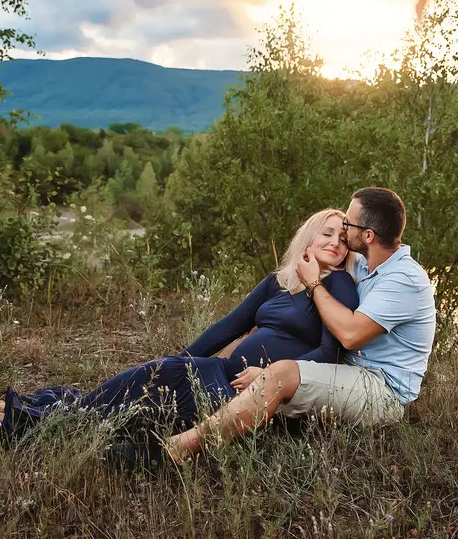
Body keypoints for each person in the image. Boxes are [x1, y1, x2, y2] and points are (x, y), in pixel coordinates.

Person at [0, 208, 359, 460]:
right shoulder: (278, 281)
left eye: (344, 240)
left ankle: (36, 422)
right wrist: (183, 358)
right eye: (327, 233)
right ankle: (45, 418)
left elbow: (331, 352)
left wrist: (271, 375)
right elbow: (230, 326)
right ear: (308, 237)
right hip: (220, 371)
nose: (336, 243)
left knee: (144, 406)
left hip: (249, 394)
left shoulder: (338, 286)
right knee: (150, 384)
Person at [165, 187, 436, 461]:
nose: (343, 228)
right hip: (346, 371)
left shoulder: (403, 279)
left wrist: (314, 282)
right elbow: (326, 248)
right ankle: (167, 415)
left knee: (279, 375)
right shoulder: (366, 264)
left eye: (348, 224)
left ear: (368, 236)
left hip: (380, 390)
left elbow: (351, 336)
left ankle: (182, 448)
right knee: (252, 342)